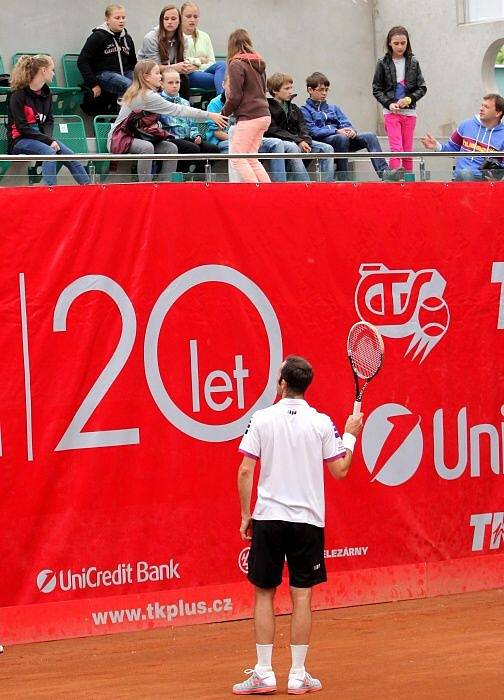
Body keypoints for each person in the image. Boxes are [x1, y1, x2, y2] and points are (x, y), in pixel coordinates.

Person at [233, 355, 363, 695]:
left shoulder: (261, 419)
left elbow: (245, 470)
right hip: (307, 523)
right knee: (301, 597)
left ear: (282, 383)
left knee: (264, 593)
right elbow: (341, 470)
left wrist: (247, 516)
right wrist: (349, 436)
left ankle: (264, 673)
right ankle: (297, 675)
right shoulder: (322, 423)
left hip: (269, 520)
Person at [107, 59, 227, 181]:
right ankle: (145, 185)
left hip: (138, 135)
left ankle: (166, 183)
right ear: (146, 77)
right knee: (147, 147)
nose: (160, 76)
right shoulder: (147, 96)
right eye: (157, 73)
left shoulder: (148, 93)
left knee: (170, 148)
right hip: (120, 138)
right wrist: (210, 115)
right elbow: (177, 110)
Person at [7, 55, 90, 186]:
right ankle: (50, 192)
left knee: (69, 155)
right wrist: (48, 141)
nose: (53, 73)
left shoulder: (47, 94)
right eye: (52, 70)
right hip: (19, 140)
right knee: (49, 151)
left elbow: (49, 121)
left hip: (41, 138)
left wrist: (48, 139)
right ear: (43, 70)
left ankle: (90, 189)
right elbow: (22, 127)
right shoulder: (17, 95)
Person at [301, 72, 389, 180]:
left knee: (370, 136)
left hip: (342, 140)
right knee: (341, 138)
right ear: (310, 90)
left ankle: (385, 172)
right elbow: (313, 131)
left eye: (326, 90)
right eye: (321, 90)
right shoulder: (304, 110)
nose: (324, 93)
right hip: (323, 142)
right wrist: (336, 131)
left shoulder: (334, 108)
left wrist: (351, 130)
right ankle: (344, 177)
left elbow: (346, 123)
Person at [206, 79, 289, 182]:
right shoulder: (215, 103)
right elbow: (217, 133)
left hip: (248, 136)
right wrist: (244, 139)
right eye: (231, 85)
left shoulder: (245, 101)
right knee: (244, 154)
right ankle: (254, 185)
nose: (234, 89)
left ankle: (279, 183)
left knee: (277, 143)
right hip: (224, 140)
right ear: (223, 84)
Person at [372, 26, 427, 174]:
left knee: (408, 151)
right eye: (396, 43)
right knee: (396, 149)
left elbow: (422, 87)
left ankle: (408, 183)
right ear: (389, 43)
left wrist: (409, 99)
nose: (400, 46)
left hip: (410, 112)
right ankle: (395, 182)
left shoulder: (414, 62)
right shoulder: (382, 63)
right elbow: (376, 89)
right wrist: (389, 104)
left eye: (403, 43)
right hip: (391, 112)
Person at [222, 29, 271, 184]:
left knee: (236, 157)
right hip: (264, 114)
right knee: (250, 157)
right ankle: (268, 192)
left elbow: (235, 96)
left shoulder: (236, 64)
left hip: (249, 116)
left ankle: (255, 191)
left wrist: (223, 113)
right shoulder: (259, 64)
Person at [265, 72, 334, 182]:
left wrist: (305, 140)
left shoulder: (294, 108)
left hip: (297, 140)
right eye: (286, 88)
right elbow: (274, 130)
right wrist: (298, 141)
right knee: (294, 148)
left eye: (291, 88)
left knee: (327, 148)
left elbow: (303, 127)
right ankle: (306, 185)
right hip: (281, 141)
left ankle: (328, 185)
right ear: (275, 91)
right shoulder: (267, 107)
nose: (290, 91)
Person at [421, 94, 504, 180]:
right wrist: (436, 146)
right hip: (461, 177)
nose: (481, 109)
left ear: (498, 113)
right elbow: (452, 149)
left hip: (486, 183)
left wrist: (497, 178)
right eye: (482, 105)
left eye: (486, 107)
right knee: (465, 173)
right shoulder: (465, 125)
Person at [159, 69, 219, 173]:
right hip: (169, 139)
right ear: (162, 84)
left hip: (187, 138)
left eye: (177, 82)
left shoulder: (185, 102)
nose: (174, 86)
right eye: (170, 83)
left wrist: (196, 135)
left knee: (212, 149)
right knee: (192, 148)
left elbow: (192, 124)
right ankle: (180, 175)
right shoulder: (158, 101)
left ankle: (198, 177)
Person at [77, 4, 136, 99]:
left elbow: (133, 63)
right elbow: (82, 61)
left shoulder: (127, 38)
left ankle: (144, 113)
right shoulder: (98, 36)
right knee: (128, 85)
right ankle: (124, 113)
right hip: (103, 74)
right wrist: (93, 84)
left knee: (143, 86)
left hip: (124, 73)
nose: (121, 21)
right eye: (117, 18)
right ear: (107, 20)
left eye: (123, 17)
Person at [137, 5, 190, 99]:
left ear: (179, 21)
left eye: (173, 19)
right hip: (147, 74)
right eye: (166, 19)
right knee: (167, 79)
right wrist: (175, 67)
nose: (169, 22)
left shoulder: (184, 39)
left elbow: (182, 61)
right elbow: (154, 68)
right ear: (162, 21)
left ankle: (184, 106)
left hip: (170, 72)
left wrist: (187, 66)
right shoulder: (150, 38)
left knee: (183, 79)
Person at [180, 2, 226, 94]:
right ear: (181, 17)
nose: (192, 20)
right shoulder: (178, 37)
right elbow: (184, 64)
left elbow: (212, 62)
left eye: (195, 16)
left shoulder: (205, 36)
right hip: (188, 76)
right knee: (222, 81)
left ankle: (219, 100)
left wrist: (196, 66)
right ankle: (222, 101)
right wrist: (200, 60)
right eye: (188, 16)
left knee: (223, 64)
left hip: (205, 72)